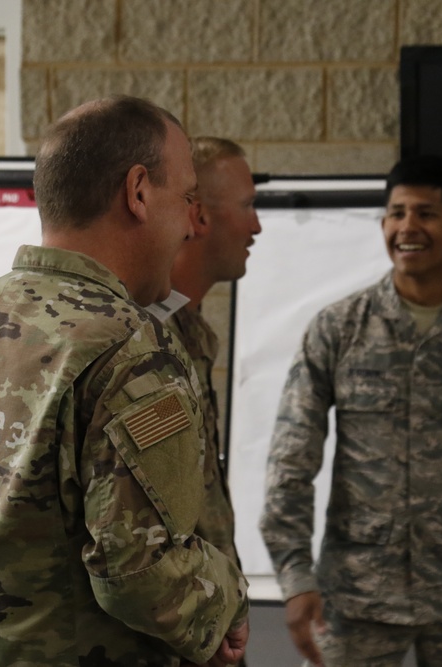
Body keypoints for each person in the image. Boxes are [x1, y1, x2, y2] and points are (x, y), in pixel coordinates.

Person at [0, 96, 249, 666]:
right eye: (185, 198)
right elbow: (138, 571)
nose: (190, 222)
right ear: (137, 192)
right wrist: (226, 601)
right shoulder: (128, 346)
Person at [260, 154, 442, 667]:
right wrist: (294, 576)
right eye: (396, 213)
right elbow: (291, 462)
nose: (407, 227)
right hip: (355, 600)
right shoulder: (338, 329)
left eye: (426, 213)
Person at [166, 136, 262, 566]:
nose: (256, 226)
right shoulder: (147, 339)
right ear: (199, 216)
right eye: (247, 206)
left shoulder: (187, 328)